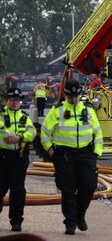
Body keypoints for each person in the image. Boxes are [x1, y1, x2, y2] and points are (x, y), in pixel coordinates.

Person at [40, 79, 103, 234]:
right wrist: (51, 152)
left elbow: (97, 132)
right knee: (68, 190)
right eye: (70, 97)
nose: (74, 100)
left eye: (76, 96)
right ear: (66, 95)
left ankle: (80, 216)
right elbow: (45, 133)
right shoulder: (57, 111)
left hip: (86, 154)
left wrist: (96, 153)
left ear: (79, 94)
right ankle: (70, 223)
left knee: (88, 187)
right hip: (64, 155)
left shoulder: (88, 110)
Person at [0, 88, 36, 232]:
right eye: (12, 100)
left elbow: (32, 132)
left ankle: (16, 221)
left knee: (18, 190)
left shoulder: (24, 117)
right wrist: (7, 137)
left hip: (19, 158)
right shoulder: (1, 115)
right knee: (0, 187)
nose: (15, 103)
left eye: (17, 101)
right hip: (2, 157)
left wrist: (20, 138)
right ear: (6, 101)